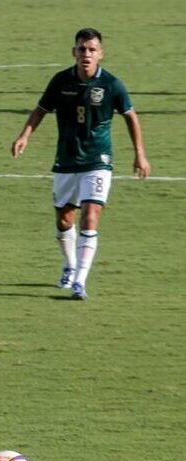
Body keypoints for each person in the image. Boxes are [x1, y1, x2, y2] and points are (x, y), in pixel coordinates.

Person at [11, 27, 150, 300]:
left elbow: (130, 117)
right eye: (82, 49)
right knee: (64, 219)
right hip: (66, 159)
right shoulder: (61, 81)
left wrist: (140, 154)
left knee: (90, 216)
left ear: (101, 53)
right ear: (73, 52)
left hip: (98, 159)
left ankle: (80, 282)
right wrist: (24, 135)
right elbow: (41, 109)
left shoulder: (111, 84)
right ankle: (70, 265)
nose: (86, 54)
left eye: (92, 49)